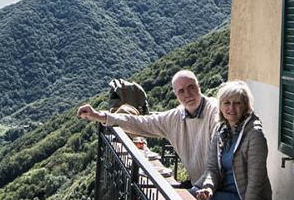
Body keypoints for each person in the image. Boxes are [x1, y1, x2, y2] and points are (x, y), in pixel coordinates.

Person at [77, 70, 219, 185]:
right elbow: (140, 123)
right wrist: (98, 115)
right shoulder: (175, 117)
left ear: (199, 86)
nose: (187, 94)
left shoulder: (215, 111)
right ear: (176, 95)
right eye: (181, 91)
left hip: (217, 187)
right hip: (200, 187)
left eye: (191, 87)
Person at [195, 80, 272, 200]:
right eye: (227, 103)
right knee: (183, 199)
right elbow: (212, 168)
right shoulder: (221, 130)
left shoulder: (254, 135)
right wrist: (208, 188)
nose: (231, 108)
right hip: (221, 194)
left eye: (237, 103)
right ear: (220, 106)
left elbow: (255, 183)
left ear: (245, 106)